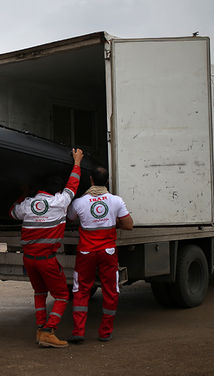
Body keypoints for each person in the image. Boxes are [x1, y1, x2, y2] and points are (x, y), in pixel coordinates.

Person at [10, 148, 84, 348]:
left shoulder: (27, 204)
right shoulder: (60, 202)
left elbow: (12, 213)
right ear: (58, 191)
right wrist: (77, 162)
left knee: (40, 292)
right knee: (61, 296)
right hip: (47, 261)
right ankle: (48, 331)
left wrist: (23, 194)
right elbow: (73, 184)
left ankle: (40, 327)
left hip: (29, 259)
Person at [66, 166, 133, 343]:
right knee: (111, 290)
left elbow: (69, 218)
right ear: (108, 181)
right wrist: (114, 222)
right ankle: (105, 332)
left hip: (85, 253)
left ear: (91, 180)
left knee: (81, 290)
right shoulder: (116, 201)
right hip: (108, 252)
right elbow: (128, 225)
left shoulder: (79, 202)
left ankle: (79, 332)